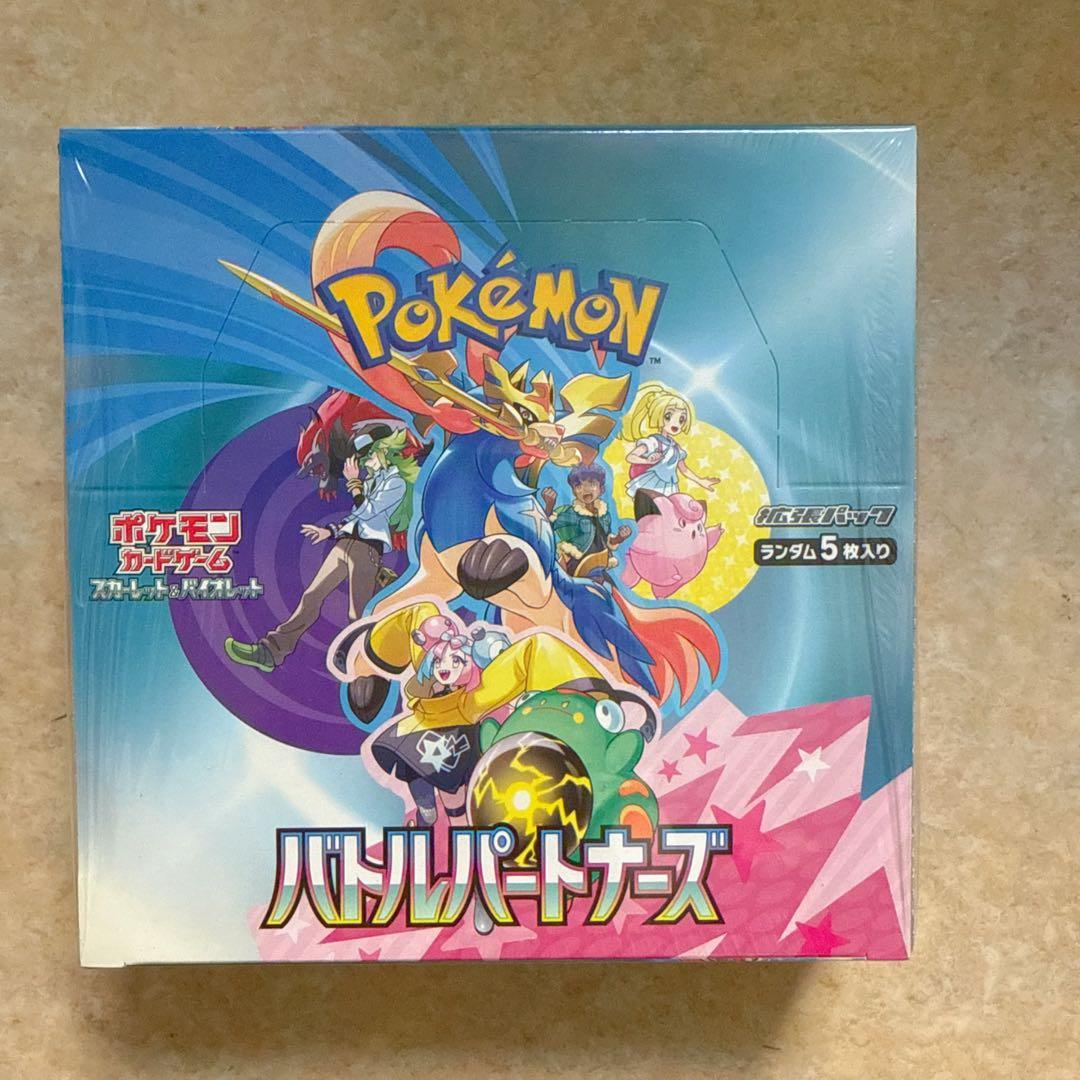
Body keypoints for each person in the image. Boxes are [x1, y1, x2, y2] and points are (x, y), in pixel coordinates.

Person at [224, 423, 417, 672]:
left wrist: (354, 484)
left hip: (366, 551)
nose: (364, 463)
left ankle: (369, 668)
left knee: (357, 614)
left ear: (383, 451)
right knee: (311, 596)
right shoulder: (373, 482)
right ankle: (270, 651)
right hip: (345, 545)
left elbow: (368, 511)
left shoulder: (396, 483)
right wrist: (329, 532)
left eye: (368, 457)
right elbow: (355, 520)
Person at [621, 382, 720, 503]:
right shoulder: (654, 442)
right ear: (658, 415)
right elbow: (630, 457)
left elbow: (684, 469)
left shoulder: (676, 448)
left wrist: (701, 481)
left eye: (681, 419)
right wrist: (647, 461)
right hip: (651, 483)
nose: (676, 423)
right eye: (668, 416)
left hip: (669, 486)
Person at [541, 463, 632, 579]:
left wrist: (620, 537)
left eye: (592, 484)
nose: (585, 489)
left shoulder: (604, 515)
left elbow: (607, 540)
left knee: (608, 586)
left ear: (601, 489)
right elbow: (547, 526)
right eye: (579, 486)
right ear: (574, 492)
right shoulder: (572, 513)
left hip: (599, 562)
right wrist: (549, 505)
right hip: (578, 564)